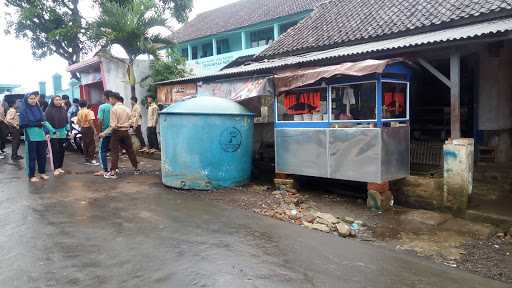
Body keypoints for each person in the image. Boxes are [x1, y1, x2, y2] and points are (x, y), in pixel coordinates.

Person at [99, 92, 139, 179]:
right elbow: (132, 122)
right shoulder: (127, 109)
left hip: (116, 133)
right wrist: (125, 125)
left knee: (114, 152)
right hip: (125, 132)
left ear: (113, 98)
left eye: (109, 99)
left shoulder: (114, 109)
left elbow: (112, 125)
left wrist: (104, 133)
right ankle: (136, 168)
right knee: (130, 150)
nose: (109, 101)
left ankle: (113, 172)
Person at [19, 92, 55, 182]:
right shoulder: (23, 110)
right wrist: (37, 124)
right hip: (31, 136)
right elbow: (23, 124)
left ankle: (42, 173)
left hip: (41, 135)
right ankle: (31, 175)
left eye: (34, 98)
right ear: (26, 100)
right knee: (32, 157)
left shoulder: (38, 109)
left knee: (42, 155)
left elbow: (44, 122)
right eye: (30, 98)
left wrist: (47, 132)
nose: (33, 100)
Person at [45, 96, 69, 176]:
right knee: (55, 151)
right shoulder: (49, 110)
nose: (58, 101)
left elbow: (66, 121)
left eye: (59, 100)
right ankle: (55, 168)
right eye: (56, 100)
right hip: (54, 133)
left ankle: (59, 167)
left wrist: (68, 131)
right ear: (53, 101)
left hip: (62, 133)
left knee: (62, 150)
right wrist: (53, 131)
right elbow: (46, 122)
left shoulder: (63, 109)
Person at [95, 90, 114, 176]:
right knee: (114, 151)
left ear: (105, 97)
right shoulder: (115, 106)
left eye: (103, 96)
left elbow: (100, 120)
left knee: (102, 151)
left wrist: (99, 132)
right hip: (115, 131)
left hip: (105, 132)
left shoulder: (102, 107)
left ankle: (105, 170)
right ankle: (114, 169)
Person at [76, 99, 98, 165]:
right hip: (89, 128)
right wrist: (94, 129)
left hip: (83, 129)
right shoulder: (89, 112)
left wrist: (81, 126)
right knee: (91, 144)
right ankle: (91, 159)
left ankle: (87, 158)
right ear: (86, 104)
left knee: (85, 143)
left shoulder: (79, 112)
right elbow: (90, 121)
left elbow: (78, 122)